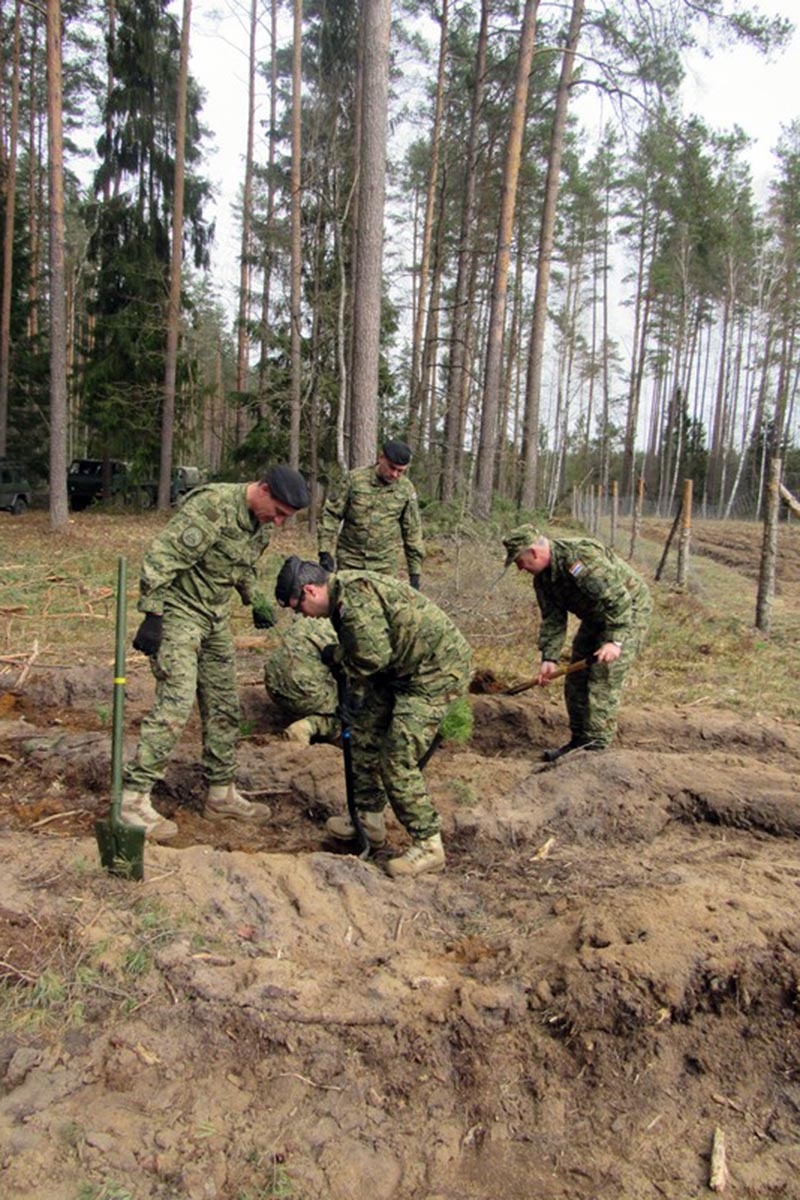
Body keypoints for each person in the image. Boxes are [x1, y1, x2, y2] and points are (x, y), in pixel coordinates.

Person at [120, 466, 311, 841]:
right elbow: (161, 557)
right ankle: (132, 800)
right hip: (178, 612)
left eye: (286, 517)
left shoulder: (261, 524)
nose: (280, 522)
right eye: (279, 512)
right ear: (263, 489)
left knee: (224, 704)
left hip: (215, 617)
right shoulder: (213, 507)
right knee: (176, 704)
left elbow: (242, 567)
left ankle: (221, 794)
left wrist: (255, 600)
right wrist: (153, 615)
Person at [274, 556, 472, 878]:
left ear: (310, 590)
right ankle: (368, 820)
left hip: (434, 674)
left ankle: (429, 846)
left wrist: (340, 659)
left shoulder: (353, 600)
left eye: (298, 608)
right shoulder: (340, 597)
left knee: (396, 757)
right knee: (364, 733)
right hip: (400, 670)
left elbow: (371, 657)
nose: (302, 615)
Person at [502, 524, 652, 761]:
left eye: (520, 561)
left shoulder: (580, 559)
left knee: (602, 679)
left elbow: (619, 600)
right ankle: (579, 742)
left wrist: (615, 641)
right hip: (595, 617)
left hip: (628, 612)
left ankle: (596, 751)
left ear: (534, 552)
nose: (520, 568)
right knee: (576, 680)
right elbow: (553, 619)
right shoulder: (543, 579)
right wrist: (549, 658)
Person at [317, 440, 425, 587]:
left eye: (400, 471)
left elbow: (412, 531)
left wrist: (415, 573)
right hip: (350, 561)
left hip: (384, 566)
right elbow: (331, 515)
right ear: (381, 458)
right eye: (392, 468)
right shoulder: (354, 480)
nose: (394, 474)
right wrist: (325, 551)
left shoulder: (405, 489)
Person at [263, 616, 340, 744]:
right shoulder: (353, 628)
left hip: (273, 687)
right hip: (304, 691)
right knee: (356, 713)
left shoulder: (314, 615)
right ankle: (309, 726)